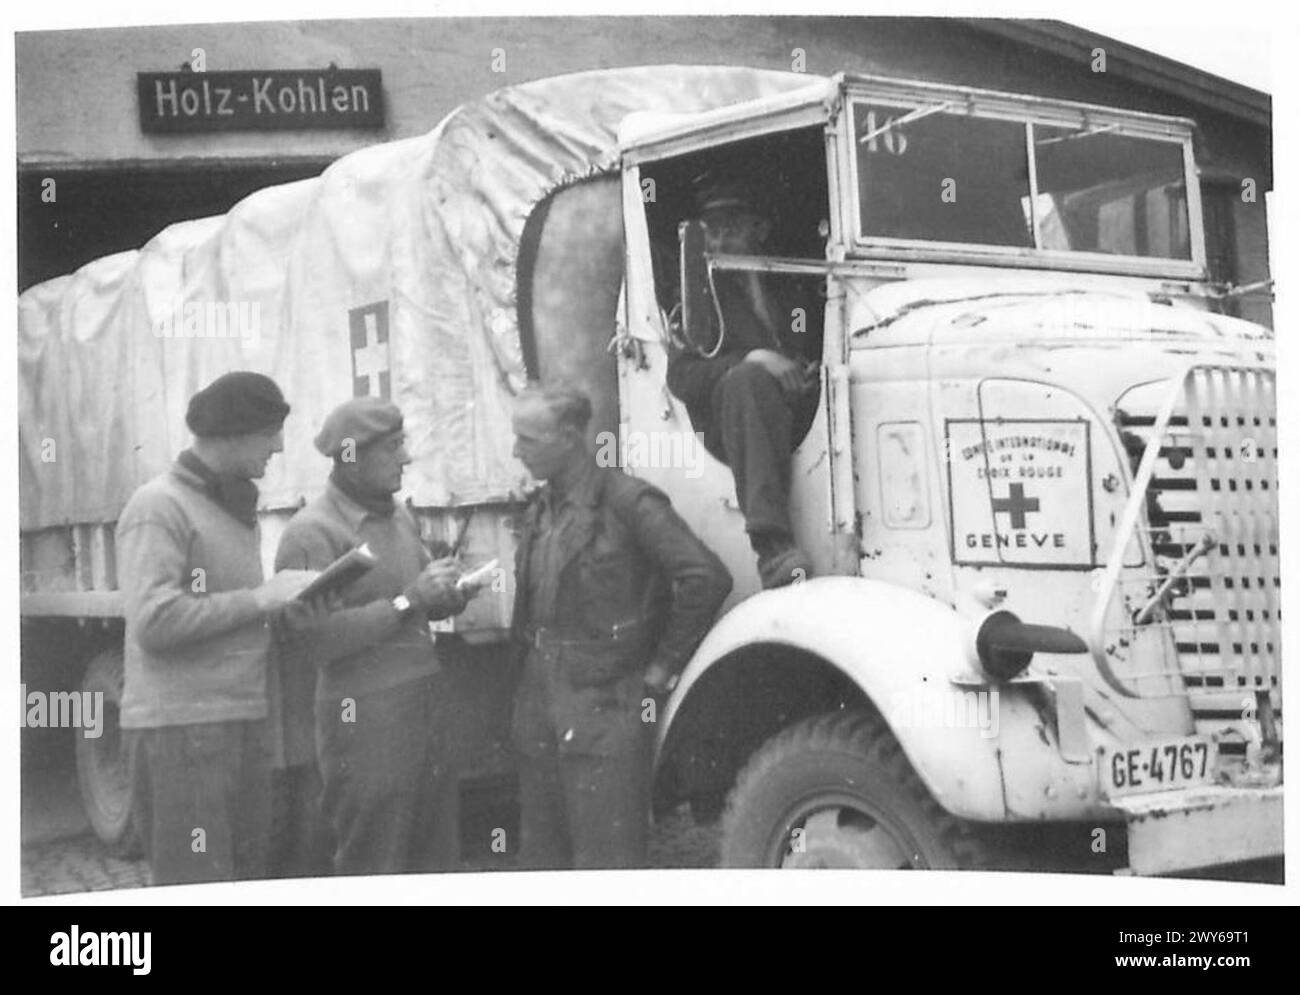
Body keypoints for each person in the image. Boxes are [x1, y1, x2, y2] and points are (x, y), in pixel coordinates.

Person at [509, 382, 732, 869]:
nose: (515, 451)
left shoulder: (627, 502)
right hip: (540, 700)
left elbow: (704, 577)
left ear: (569, 436)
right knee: (541, 860)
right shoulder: (540, 508)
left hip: (604, 705)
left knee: (607, 862)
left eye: (527, 440)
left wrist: (660, 670)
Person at [118, 371, 318, 886]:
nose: (277, 446)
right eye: (270, 432)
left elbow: (228, 618)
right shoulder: (157, 506)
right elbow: (154, 620)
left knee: (244, 878)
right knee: (196, 882)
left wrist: (283, 611)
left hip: (237, 722)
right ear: (232, 432)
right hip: (181, 733)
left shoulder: (230, 506)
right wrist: (258, 601)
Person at [274, 396, 473, 876]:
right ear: (349, 457)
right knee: (375, 858)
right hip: (364, 718)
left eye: (402, 444)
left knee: (436, 854)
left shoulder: (398, 516)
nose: (405, 458)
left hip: (424, 702)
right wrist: (410, 600)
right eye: (391, 448)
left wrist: (450, 591)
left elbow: (420, 598)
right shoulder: (311, 533)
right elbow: (315, 641)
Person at [665, 179, 819, 588]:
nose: (720, 240)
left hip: (794, 412)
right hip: (733, 424)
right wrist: (754, 358)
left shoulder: (793, 287)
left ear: (760, 231)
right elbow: (682, 378)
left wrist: (806, 369)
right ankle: (773, 550)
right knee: (748, 381)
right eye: (712, 231)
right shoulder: (696, 296)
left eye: (732, 228)